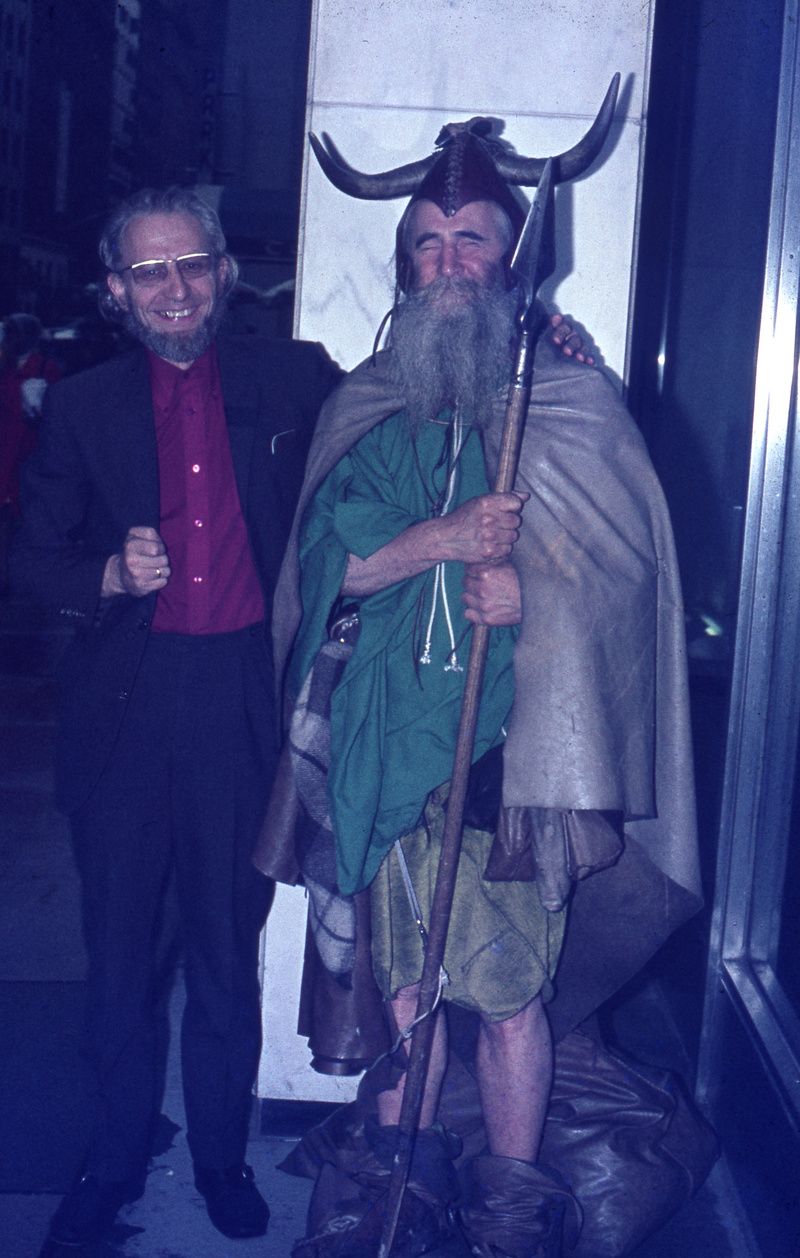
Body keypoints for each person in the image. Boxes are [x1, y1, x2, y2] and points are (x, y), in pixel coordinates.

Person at [255, 116, 702, 1256]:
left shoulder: (568, 397)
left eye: (472, 239)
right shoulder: (363, 404)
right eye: (426, 241)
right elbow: (325, 569)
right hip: (386, 765)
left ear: (509, 258)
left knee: (507, 1006)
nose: (448, 260)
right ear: (404, 263)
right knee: (405, 1008)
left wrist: (533, 605)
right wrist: (446, 539)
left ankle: (509, 1224)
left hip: (514, 772)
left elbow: (618, 589)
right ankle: (397, 1213)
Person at [10, 186, 342, 1248]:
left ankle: (216, 1156)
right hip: (125, 705)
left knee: (221, 944)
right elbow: (29, 555)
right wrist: (105, 571)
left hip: (242, 699)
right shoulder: (83, 405)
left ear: (223, 273)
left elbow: (402, 411)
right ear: (115, 290)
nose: (173, 286)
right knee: (116, 954)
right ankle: (110, 1160)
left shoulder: (294, 377)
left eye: (191, 263)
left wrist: (550, 349)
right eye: (148, 271)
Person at [0, 313, 60, 593]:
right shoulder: (6, 368)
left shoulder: (43, 369)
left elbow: (49, 417)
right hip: (6, 452)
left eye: (12, 333)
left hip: (27, 455)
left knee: (25, 520)